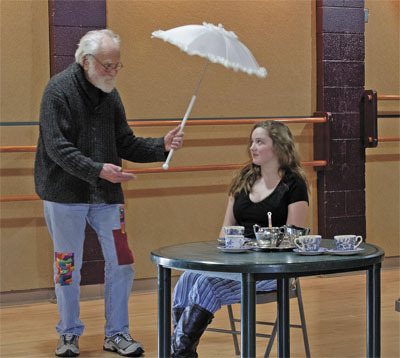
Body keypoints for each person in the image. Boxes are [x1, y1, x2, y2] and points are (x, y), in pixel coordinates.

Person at [34, 29, 183, 357]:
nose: (113, 72)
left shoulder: (110, 95)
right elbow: (57, 148)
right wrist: (98, 169)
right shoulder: (57, 91)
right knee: (67, 264)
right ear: (86, 61)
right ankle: (69, 333)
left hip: (106, 195)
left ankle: (117, 333)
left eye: (117, 66)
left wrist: (161, 145)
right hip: (63, 194)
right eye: (107, 65)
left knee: (122, 261)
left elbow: (125, 142)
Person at [171, 120, 309, 357]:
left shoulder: (294, 184)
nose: (252, 147)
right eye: (252, 142)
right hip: (237, 264)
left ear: (278, 147)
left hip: (273, 269)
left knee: (207, 285)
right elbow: (225, 231)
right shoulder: (244, 179)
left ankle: (179, 352)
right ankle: (183, 350)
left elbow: (293, 238)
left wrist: (255, 246)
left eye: (259, 142)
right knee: (188, 277)